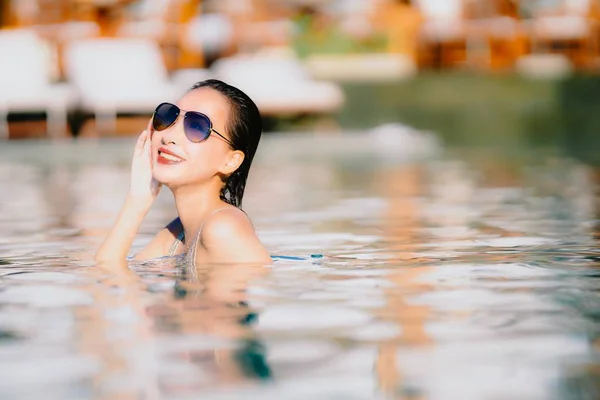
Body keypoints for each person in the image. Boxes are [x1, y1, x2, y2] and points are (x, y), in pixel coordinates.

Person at [94, 79, 272, 265]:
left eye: (197, 126)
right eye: (169, 117)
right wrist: (138, 199)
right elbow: (105, 275)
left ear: (230, 161)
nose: (169, 136)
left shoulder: (223, 228)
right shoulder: (178, 233)